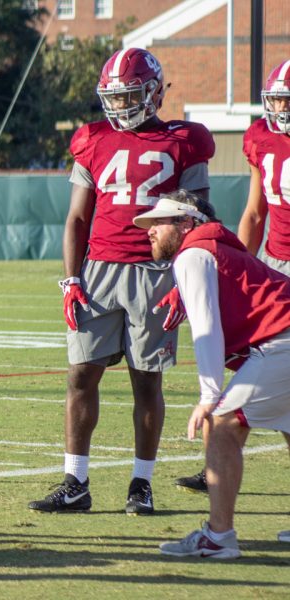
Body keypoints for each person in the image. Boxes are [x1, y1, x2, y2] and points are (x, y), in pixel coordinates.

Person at [27, 48, 215, 515]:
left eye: (129, 95)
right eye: (114, 96)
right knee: (79, 376)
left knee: (146, 382)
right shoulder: (93, 138)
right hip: (99, 270)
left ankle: (141, 484)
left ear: (153, 92)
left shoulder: (185, 140)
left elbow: (201, 216)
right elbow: (76, 218)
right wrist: (71, 279)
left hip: (156, 273)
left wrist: (184, 280)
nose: (120, 105)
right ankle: (76, 481)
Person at [129, 190, 290, 558]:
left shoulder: (194, 253)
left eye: (159, 222)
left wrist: (208, 397)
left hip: (283, 341)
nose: (149, 231)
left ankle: (218, 538)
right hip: (283, 338)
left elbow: (206, 328)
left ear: (187, 222)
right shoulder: (215, 248)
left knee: (221, 425)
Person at [174, 58, 290, 496]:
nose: (280, 108)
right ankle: (215, 467)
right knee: (255, 370)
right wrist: (240, 266)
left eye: (287, 100)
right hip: (275, 264)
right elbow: (255, 211)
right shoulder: (262, 137)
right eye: (276, 99)